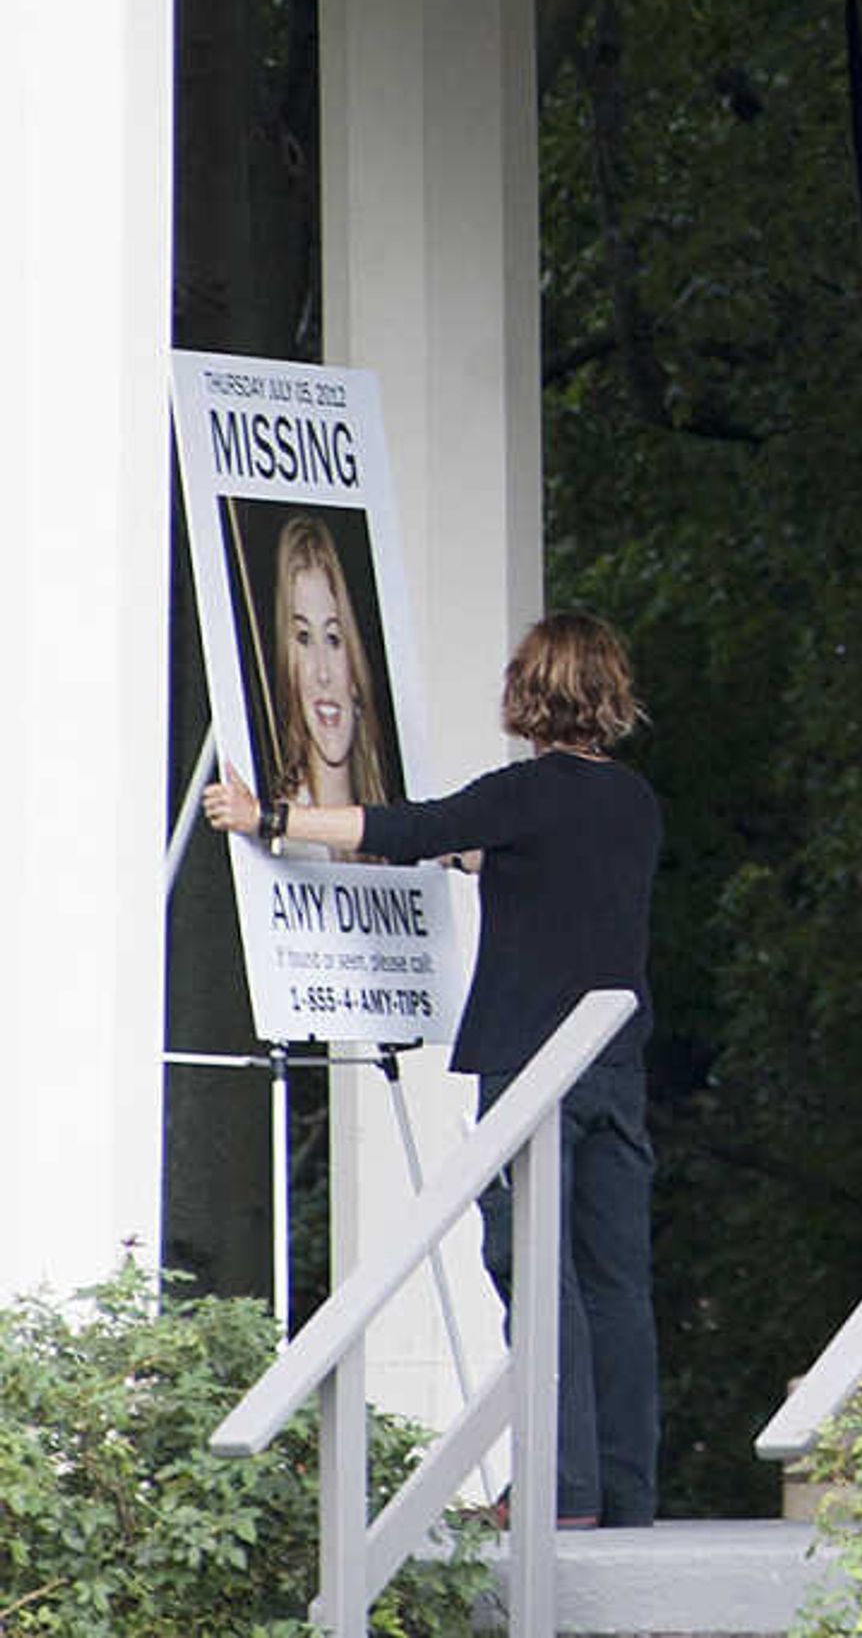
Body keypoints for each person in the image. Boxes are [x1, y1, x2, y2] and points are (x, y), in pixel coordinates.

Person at [207, 611, 662, 1530]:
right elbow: (539, 873)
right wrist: (480, 860)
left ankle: (558, 1492)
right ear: (608, 695)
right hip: (616, 1068)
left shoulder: (529, 793)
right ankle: (622, 1490)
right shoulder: (633, 802)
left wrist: (273, 818)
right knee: (614, 1280)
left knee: (534, 1272)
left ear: (531, 695)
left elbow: (413, 826)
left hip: (534, 1071)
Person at [262, 514, 397, 822]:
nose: (322, 673)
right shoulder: (284, 839)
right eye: (304, 639)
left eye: (334, 639)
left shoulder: (394, 837)